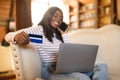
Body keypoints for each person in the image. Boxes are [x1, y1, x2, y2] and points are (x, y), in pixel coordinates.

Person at [5, 7, 108, 80]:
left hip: (66, 68)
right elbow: (8, 35)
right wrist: (15, 37)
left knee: (102, 66)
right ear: (48, 16)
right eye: (55, 15)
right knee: (83, 78)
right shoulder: (39, 31)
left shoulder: (60, 34)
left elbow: (67, 53)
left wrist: (64, 34)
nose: (58, 19)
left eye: (61, 18)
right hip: (50, 71)